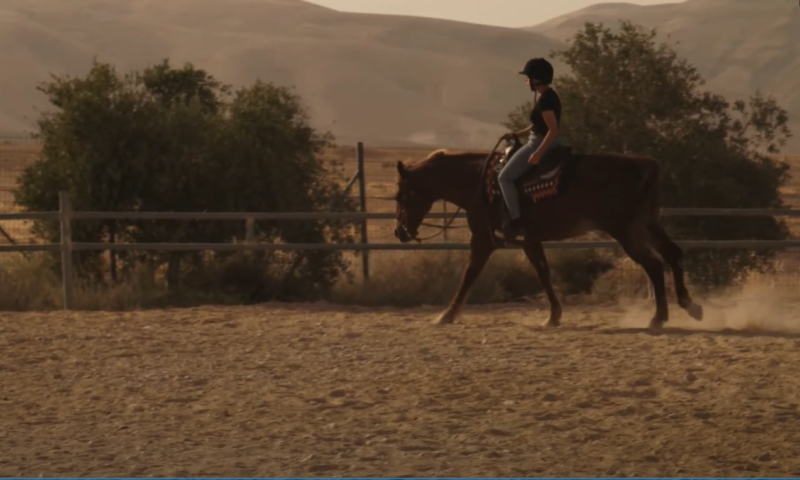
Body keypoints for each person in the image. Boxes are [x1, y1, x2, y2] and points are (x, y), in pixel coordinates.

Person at [497, 57, 562, 241]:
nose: (526, 81)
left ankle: (517, 223)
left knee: (504, 178)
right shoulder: (547, 96)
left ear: (536, 79)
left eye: (528, 77)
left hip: (539, 143)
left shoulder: (545, 101)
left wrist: (538, 153)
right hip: (537, 139)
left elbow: (552, 130)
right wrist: (517, 134)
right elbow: (537, 126)